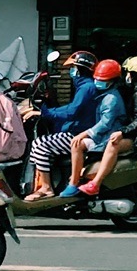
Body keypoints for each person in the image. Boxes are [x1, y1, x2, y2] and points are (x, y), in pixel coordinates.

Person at [76, 54, 137, 198]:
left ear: (135, 74)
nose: (127, 76)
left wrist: (122, 132)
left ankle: (96, 183)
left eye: (129, 73)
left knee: (113, 143)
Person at [26, 50, 101, 197]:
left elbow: (71, 112)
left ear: (80, 69)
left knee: (39, 144)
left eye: (73, 68)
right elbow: (70, 108)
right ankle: (43, 185)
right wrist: (46, 111)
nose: (71, 71)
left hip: (79, 133)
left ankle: (46, 188)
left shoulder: (87, 88)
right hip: (79, 130)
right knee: (40, 146)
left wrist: (45, 113)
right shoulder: (85, 87)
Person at [63, 60, 129, 195]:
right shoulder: (104, 95)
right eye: (97, 79)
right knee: (77, 144)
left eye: (103, 80)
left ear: (112, 81)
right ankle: (75, 181)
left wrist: (85, 133)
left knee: (77, 143)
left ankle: (74, 183)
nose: (98, 82)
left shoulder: (111, 99)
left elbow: (105, 123)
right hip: (102, 137)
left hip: (106, 137)